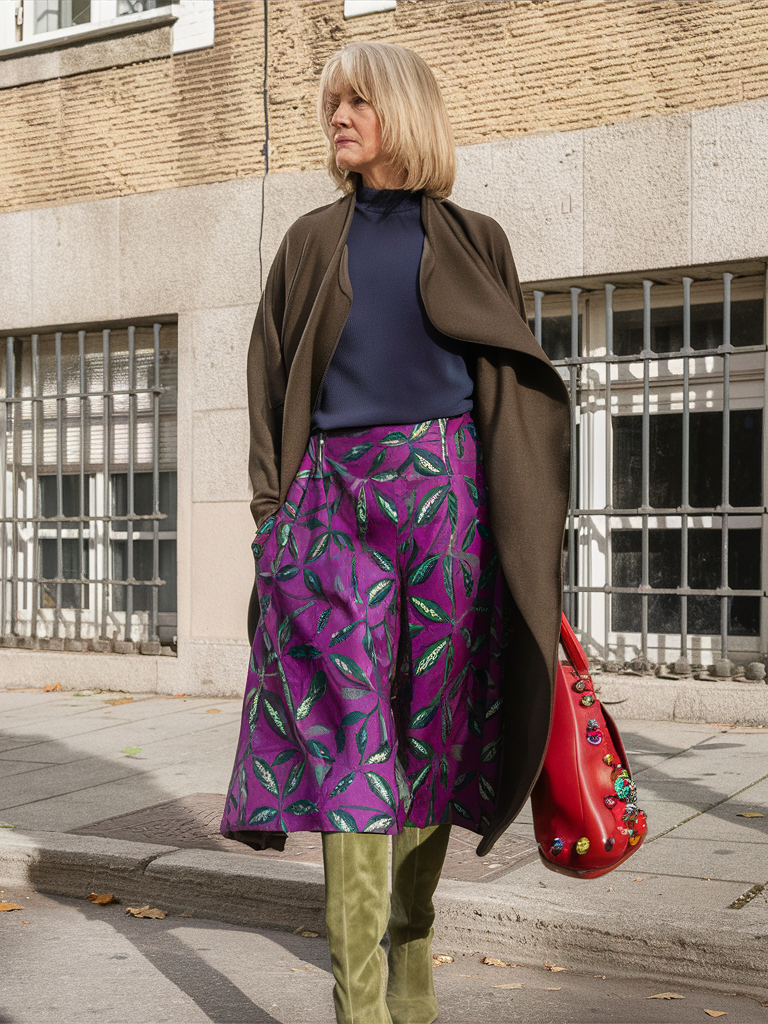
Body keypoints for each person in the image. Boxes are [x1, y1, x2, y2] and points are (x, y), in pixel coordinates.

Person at [221, 41, 570, 1024]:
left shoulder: (477, 238)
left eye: (358, 101)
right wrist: (268, 520)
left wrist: (523, 542)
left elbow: (509, 394)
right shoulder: (306, 242)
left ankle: (410, 978)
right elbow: (266, 379)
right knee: (349, 747)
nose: (338, 116)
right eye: (332, 102)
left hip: (446, 499)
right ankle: (360, 1005)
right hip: (328, 505)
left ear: (404, 115)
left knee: (431, 738)